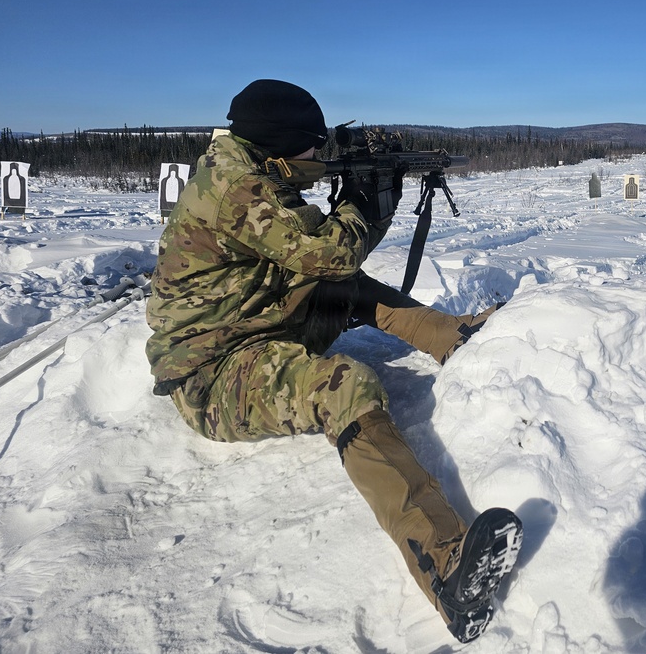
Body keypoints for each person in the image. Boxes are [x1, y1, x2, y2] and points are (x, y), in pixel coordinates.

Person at [144, 79, 521, 643]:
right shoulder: (239, 188)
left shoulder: (250, 169)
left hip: (255, 323)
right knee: (343, 384)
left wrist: (367, 193)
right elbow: (332, 248)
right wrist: (366, 201)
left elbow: (327, 259)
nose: (320, 159)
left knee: (344, 284)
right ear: (281, 145)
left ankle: (453, 336)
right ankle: (442, 560)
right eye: (313, 150)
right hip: (213, 373)